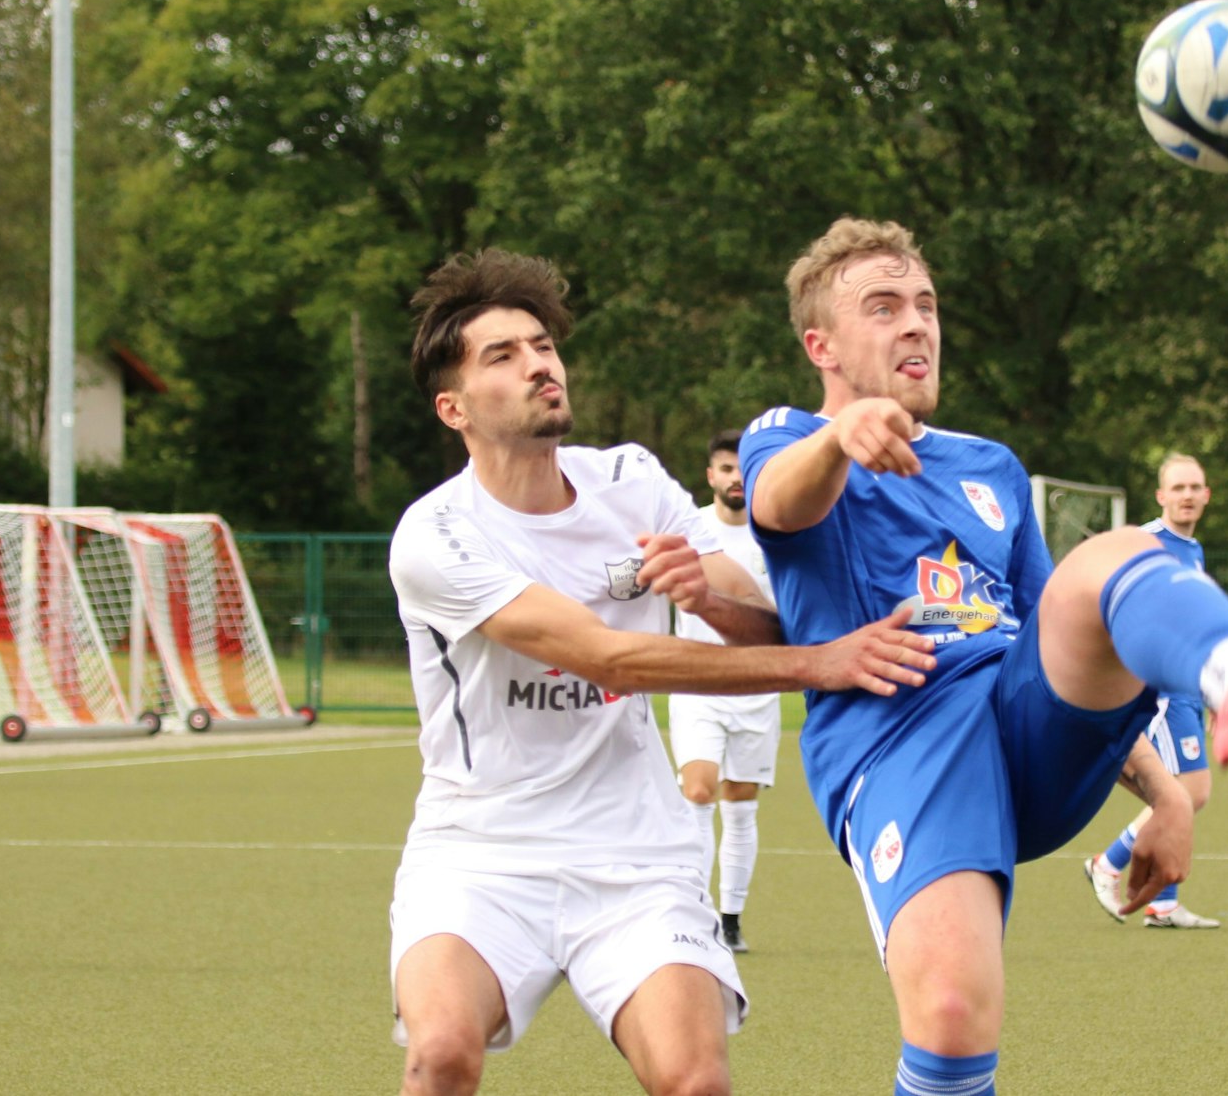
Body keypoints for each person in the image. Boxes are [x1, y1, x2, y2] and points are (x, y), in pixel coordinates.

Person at [740, 217, 1228, 1094]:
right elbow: (779, 505)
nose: (916, 323)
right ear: (820, 343)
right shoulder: (787, 437)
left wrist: (1168, 793)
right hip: (901, 739)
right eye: (884, 306)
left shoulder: (992, 466)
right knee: (949, 1017)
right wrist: (840, 434)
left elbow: (1065, 628)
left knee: (1110, 556)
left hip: (1022, 722)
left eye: (927, 304)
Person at [386, 249, 937, 1096]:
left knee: (694, 1081)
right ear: (452, 406)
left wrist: (710, 602)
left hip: (636, 852)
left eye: (543, 346)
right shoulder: (436, 535)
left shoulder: (631, 480)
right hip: (480, 852)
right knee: (441, 1056)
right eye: (503, 355)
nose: (539, 364)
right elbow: (607, 656)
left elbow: (758, 614)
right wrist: (821, 664)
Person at [1085, 453, 1223, 928]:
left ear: (1206, 494)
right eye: (1178, 488)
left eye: (1194, 487)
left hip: (1186, 689)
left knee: (1183, 794)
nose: (1187, 495)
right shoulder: (1145, 542)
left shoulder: (1193, 549)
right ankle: (1108, 863)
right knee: (1185, 793)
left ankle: (1163, 902)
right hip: (1160, 691)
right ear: (1162, 496)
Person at [668, 429, 783, 954]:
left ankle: (730, 917)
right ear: (710, 475)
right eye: (725, 469)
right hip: (698, 681)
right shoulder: (688, 529)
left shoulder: (776, 534)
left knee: (740, 804)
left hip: (757, 687)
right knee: (698, 790)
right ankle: (694, 911)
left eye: (743, 469)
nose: (735, 478)